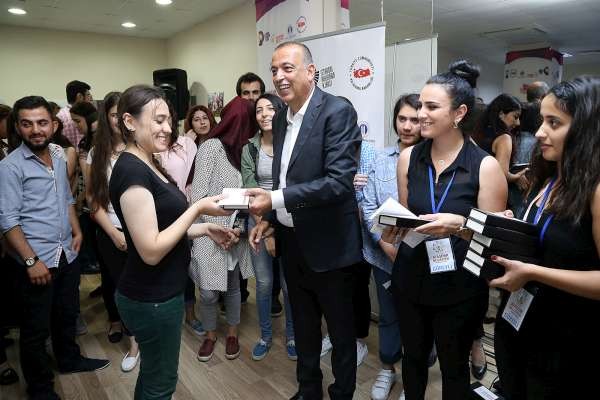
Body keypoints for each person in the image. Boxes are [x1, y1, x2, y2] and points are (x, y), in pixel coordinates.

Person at [383, 60, 507, 400]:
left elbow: (493, 241)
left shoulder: (485, 166)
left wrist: (461, 226)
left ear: (459, 113)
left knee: (454, 368)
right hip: (411, 278)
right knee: (413, 360)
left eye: (431, 107)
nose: (420, 114)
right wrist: (394, 229)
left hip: (459, 287)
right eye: (420, 105)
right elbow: (408, 216)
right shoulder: (409, 158)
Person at [248, 41, 363, 400]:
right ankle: (308, 390)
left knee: (340, 332)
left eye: (288, 68)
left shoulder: (337, 112)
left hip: (331, 245)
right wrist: (271, 217)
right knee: (304, 324)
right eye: (274, 70)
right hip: (292, 241)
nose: (279, 77)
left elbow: (338, 182)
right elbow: (284, 176)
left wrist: (275, 200)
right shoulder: (281, 117)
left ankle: (341, 393)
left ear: (311, 72)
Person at [109, 84, 235, 399]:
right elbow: (151, 250)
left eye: (169, 120)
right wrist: (198, 208)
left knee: (153, 375)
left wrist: (204, 230)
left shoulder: (147, 161)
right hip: (151, 297)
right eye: (158, 120)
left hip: (159, 292)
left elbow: (163, 229)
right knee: (162, 382)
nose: (167, 128)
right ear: (129, 121)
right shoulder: (132, 172)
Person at [491, 76, 600, 400]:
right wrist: (509, 228)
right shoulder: (549, 177)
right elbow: (547, 239)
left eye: (554, 123)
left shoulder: (595, 192)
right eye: (542, 120)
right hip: (521, 322)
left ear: (586, 129)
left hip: (565, 338)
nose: (539, 132)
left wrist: (533, 273)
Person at [0, 96, 110, 400]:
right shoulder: (10, 167)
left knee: (66, 313)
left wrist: (77, 230)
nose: (36, 130)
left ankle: (69, 359)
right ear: (18, 127)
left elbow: (65, 198)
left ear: (53, 125)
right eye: (27, 124)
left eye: (42, 122)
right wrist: (30, 260)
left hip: (66, 252)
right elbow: (8, 220)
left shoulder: (59, 155)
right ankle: (39, 389)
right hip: (36, 259)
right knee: (35, 329)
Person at [362, 94, 423, 400]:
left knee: (420, 321)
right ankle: (388, 368)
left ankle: (414, 377)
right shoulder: (379, 158)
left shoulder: (432, 159)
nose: (407, 126)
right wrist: (384, 244)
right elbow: (367, 206)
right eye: (402, 119)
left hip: (423, 259)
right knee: (388, 316)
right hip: (384, 257)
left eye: (414, 120)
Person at [191, 96, 255, 363]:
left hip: (235, 235)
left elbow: (249, 197)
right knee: (207, 292)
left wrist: (236, 230)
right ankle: (209, 334)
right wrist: (217, 230)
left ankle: (231, 333)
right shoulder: (211, 148)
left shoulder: (247, 151)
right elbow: (197, 197)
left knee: (232, 287)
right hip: (208, 231)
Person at [85, 91, 141, 372]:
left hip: (141, 229)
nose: (119, 120)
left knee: (142, 286)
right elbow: (92, 200)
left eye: (124, 114)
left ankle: (143, 334)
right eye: (114, 114)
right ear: (106, 118)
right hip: (112, 230)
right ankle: (133, 342)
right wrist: (114, 233)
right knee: (122, 287)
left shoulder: (141, 146)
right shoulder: (97, 153)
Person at [240, 93, 296, 361]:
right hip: (257, 221)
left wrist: (273, 226)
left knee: (289, 284)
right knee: (263, 283)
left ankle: (293, 335)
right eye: (259, 110)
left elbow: (292, 186)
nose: (264, 114)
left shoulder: (291, 143)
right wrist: (264, 226)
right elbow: (250, 190)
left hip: (287, 219)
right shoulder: (250, 148)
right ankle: (265, 336)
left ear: (281, 111)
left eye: (270, 108)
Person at [56, 80, 93, 148]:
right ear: (79, 96)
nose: (91, 98)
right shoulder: (85, 115)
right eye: (88, 95)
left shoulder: (59, 116)